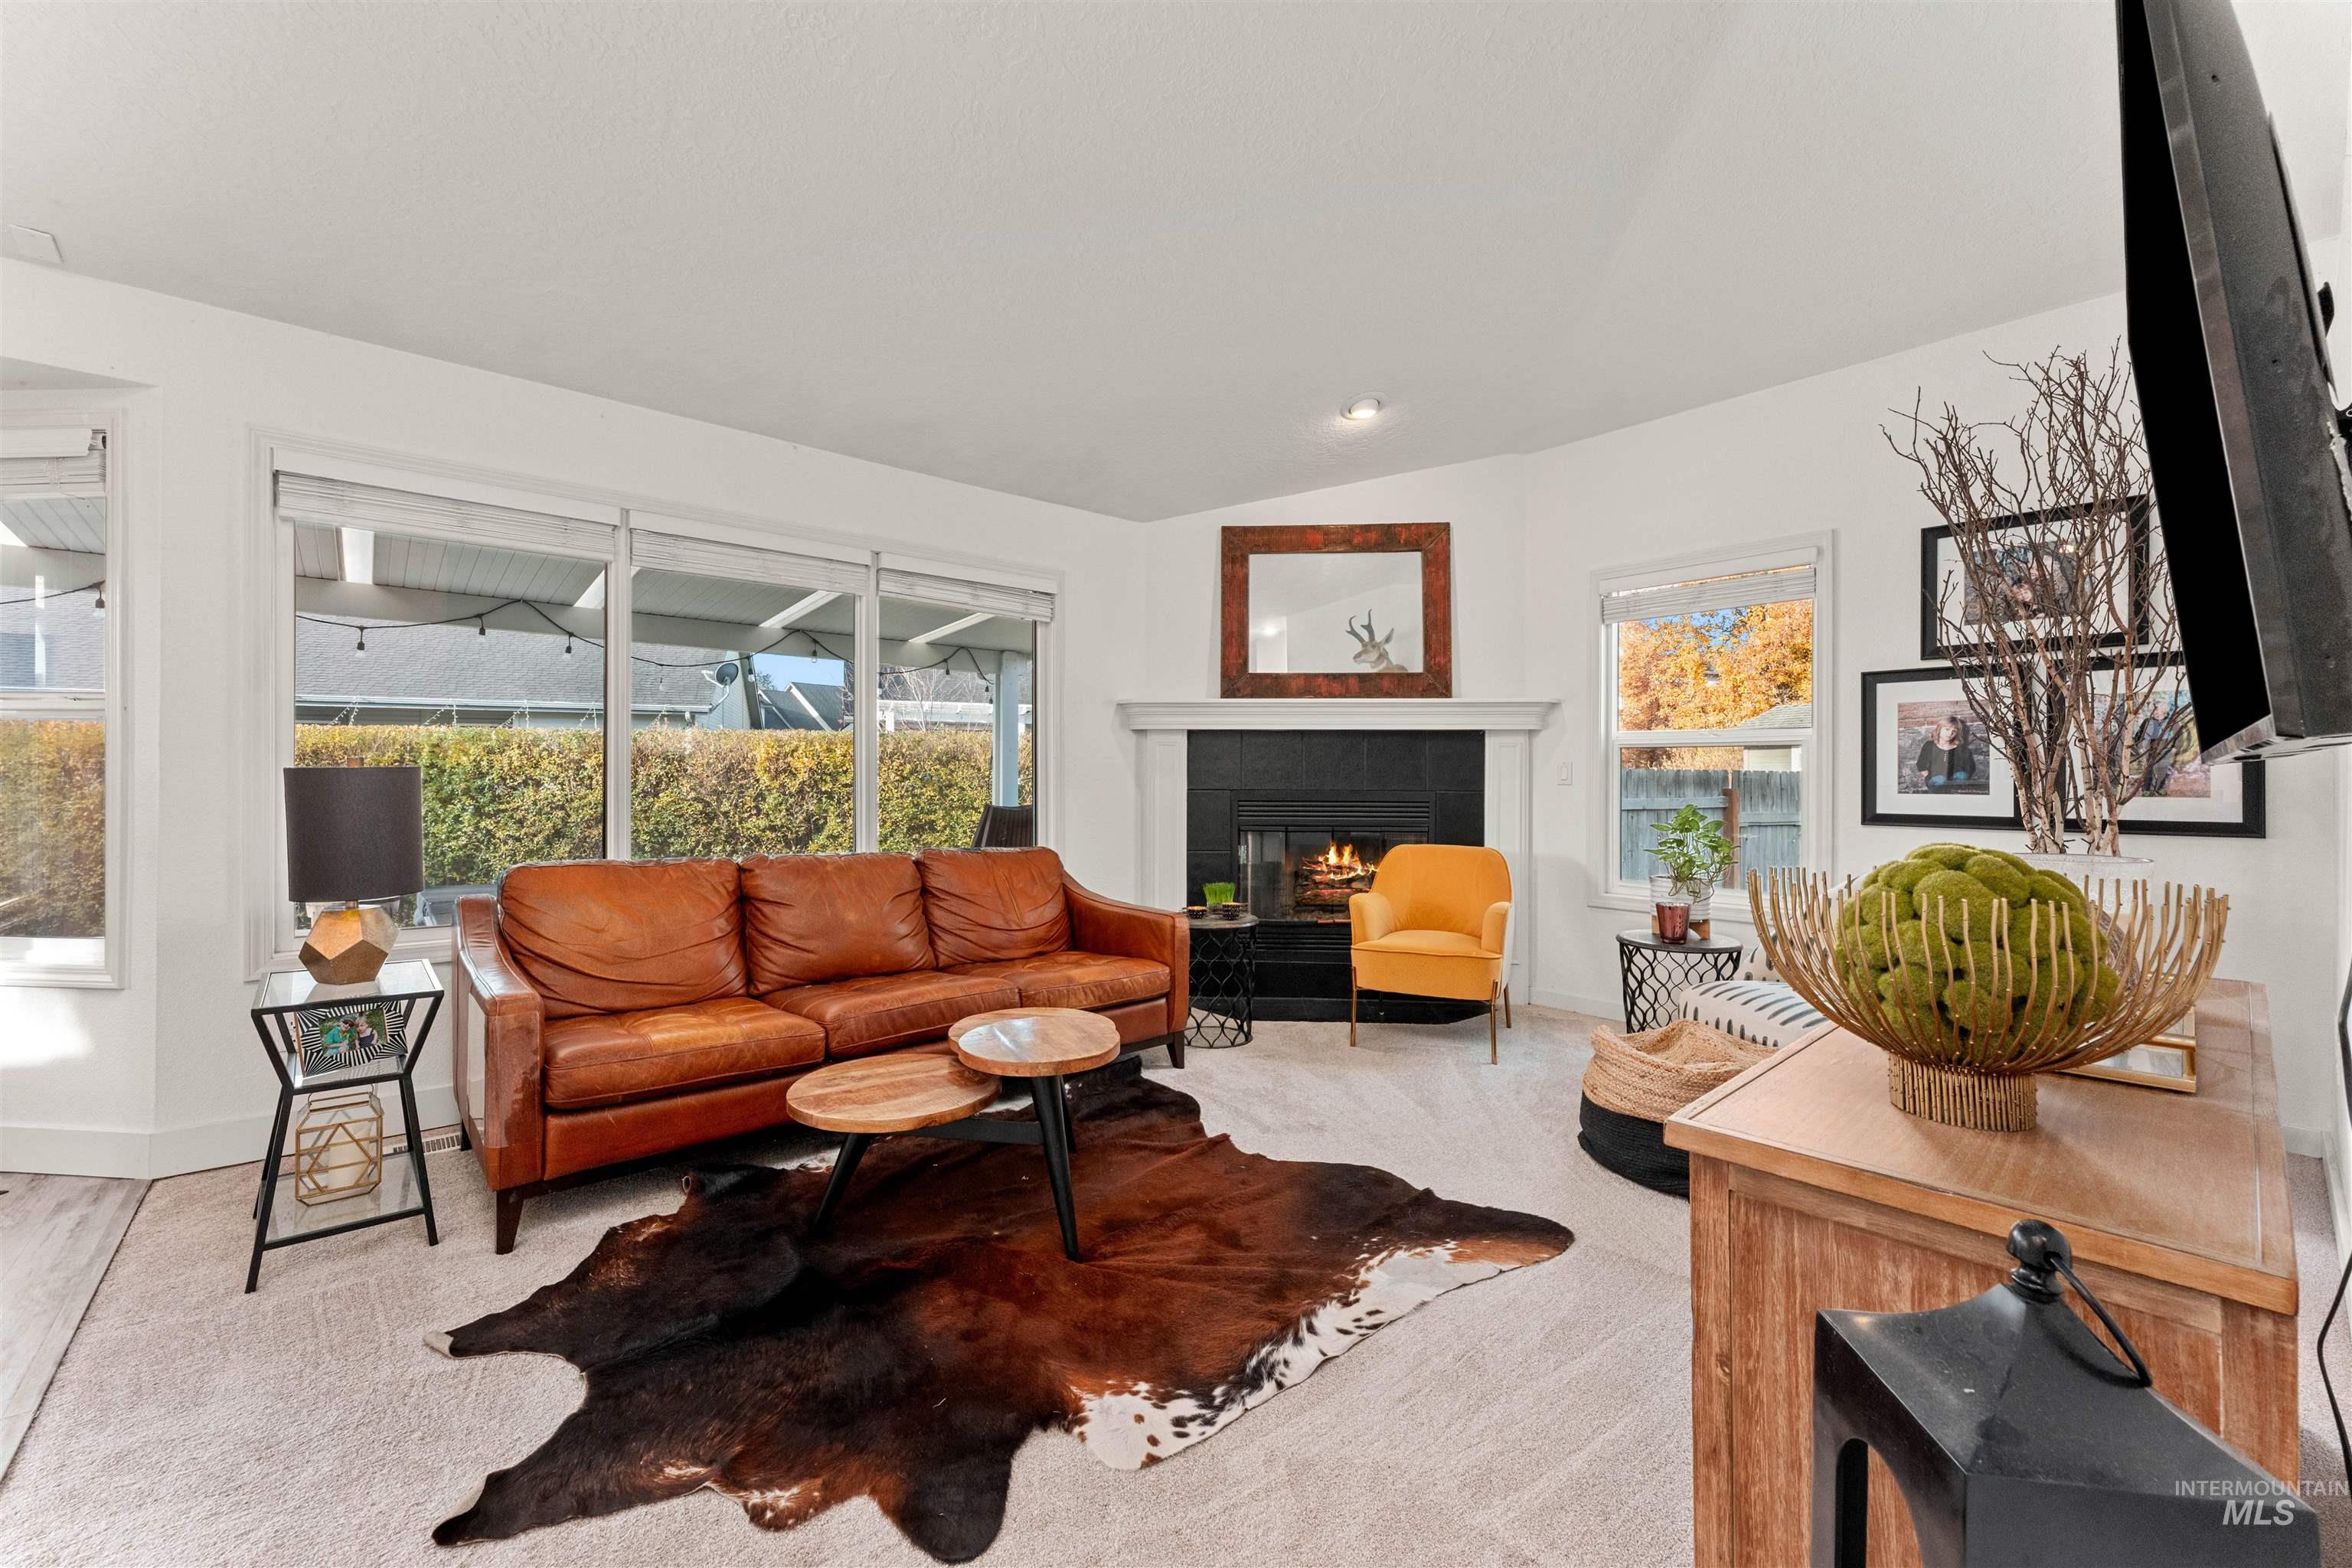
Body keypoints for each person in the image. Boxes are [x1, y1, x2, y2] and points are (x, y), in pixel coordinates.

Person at [1918, 715, 1976, 790]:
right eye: (1947, 729)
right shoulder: (1929, 746)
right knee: (1940, 780)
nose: (1950, 733)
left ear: (1957, 733)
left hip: (1955, 780)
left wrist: (1962, 776)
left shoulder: (1961, 749)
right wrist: (1929, 777)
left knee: (1961, 776)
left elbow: (1971, 767)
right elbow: (1921, 765)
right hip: (1936, 779)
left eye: (1954, 731)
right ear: (1940, 729)